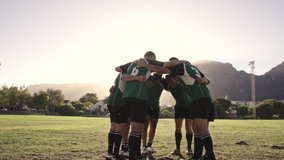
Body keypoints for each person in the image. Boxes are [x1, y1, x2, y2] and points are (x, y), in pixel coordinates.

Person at [119, 51, 169, 160]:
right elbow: (166, 69)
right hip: (138, 98)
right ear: (146, 58)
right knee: (136, 128)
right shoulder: (145, 64)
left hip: (127, 97)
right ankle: (132, 154)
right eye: (150, 58)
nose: (151, 60)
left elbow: (120, 73)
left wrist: (136, 77)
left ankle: (134, 152)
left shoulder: (134, 63)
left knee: (135, 127)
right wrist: (140, 75)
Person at [163, 57, 216, 160]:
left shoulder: (183, 67)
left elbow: (163, 66)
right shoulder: (192, 68)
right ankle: (197, 155)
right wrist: (201, 80)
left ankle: (210, 155)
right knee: (196, 130)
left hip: (199, 99)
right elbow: (207, 81)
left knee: (202, 130)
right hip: (202, 98)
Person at [106, 68, 147, 160]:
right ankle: (116, 154)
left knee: (113, 127)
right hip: (119, 102)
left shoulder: (122, 72)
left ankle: (110, 152)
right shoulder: (128, 71)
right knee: (120, 128)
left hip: (111, 102)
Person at [163, 74, 193, 157]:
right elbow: (160, 78)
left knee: (188, 128)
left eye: (172, 81)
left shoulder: (182, 84)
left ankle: (189, 148)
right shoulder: (169, 87)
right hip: (179, 108)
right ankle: (177, 149)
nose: (170, 83)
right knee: (178, 128)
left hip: (189, 107)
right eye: (169, 82)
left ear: (175, 79)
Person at [141, 73, 164, 155]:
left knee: (153, 126)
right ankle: (144, 146)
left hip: (155, 107)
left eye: (159, 79)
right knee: (145, 125)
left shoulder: (161, 86)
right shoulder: (148, 83)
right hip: (146, 105)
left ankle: (149, 145)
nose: (158, 80)